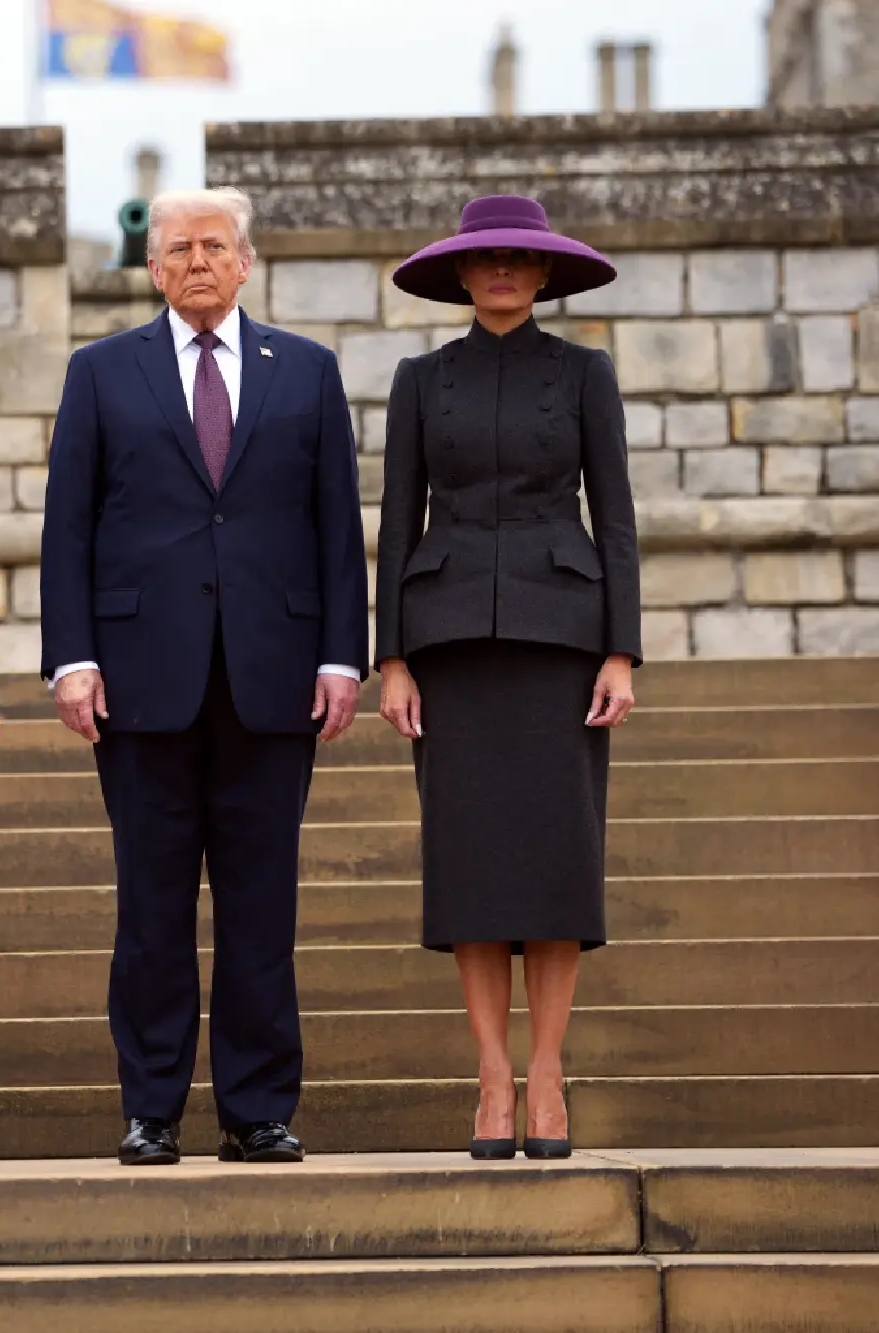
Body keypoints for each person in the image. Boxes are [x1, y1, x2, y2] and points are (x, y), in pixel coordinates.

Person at [39, 187, 367, 1167]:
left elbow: (334, 527)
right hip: (142, 682)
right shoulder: (100, 373)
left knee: (260, 908)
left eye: (212, 246)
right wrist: (71, 655)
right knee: (150, 907)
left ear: (245, 261)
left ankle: (255, 1108)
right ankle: (149, 1108)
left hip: (272, 680)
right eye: (177, 247)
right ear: (151, 266)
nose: (195, 262)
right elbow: (70, 527)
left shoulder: (305, 373)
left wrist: (341, 653)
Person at [372, 195, 641, 1161]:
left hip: (562, 643)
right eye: (483, 260)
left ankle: (549, 1073)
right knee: (472, 866)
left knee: (557, 862)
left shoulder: (583, 375)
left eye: (517, 260)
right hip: (448, 645)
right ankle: (491, 1076)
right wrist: (391, 657)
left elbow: (614, 516)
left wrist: (622, 649)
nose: (500, 273)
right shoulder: (419, 380)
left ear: (542, 274)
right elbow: (398, 519)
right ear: (459, 273)